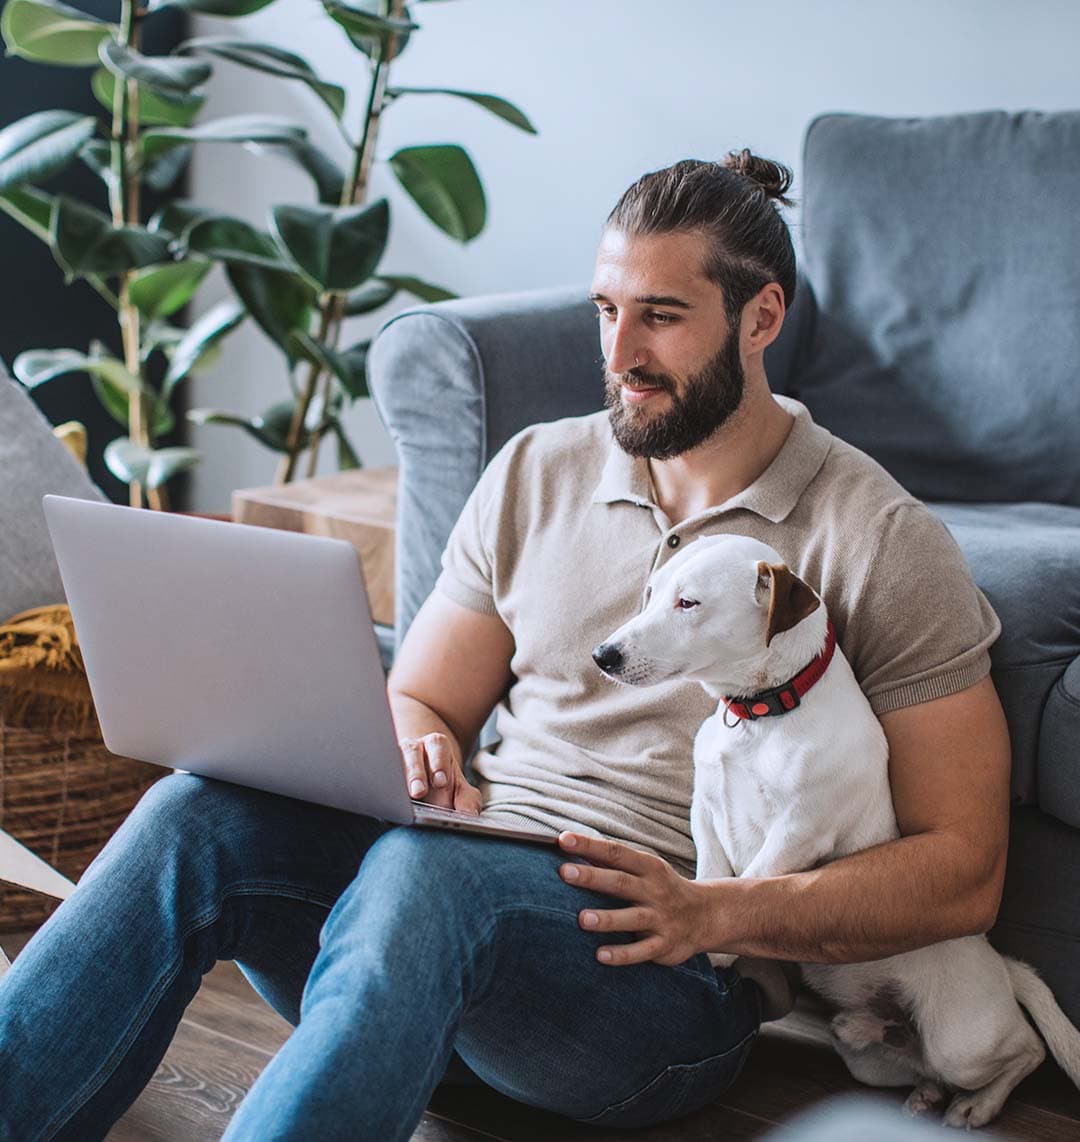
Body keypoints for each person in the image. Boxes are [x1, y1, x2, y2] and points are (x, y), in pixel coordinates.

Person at [0, 152, 1009, 1141]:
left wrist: (715, 913)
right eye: (607, 309)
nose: (620, 353)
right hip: (434, 920)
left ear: (761, 318)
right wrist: (418, 742)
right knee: (195, 812)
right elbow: (424, 696)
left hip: (659, 989)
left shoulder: (877, 537)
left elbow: (964, 869)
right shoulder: (539, 467)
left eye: (660, 315)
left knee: (425, 877)